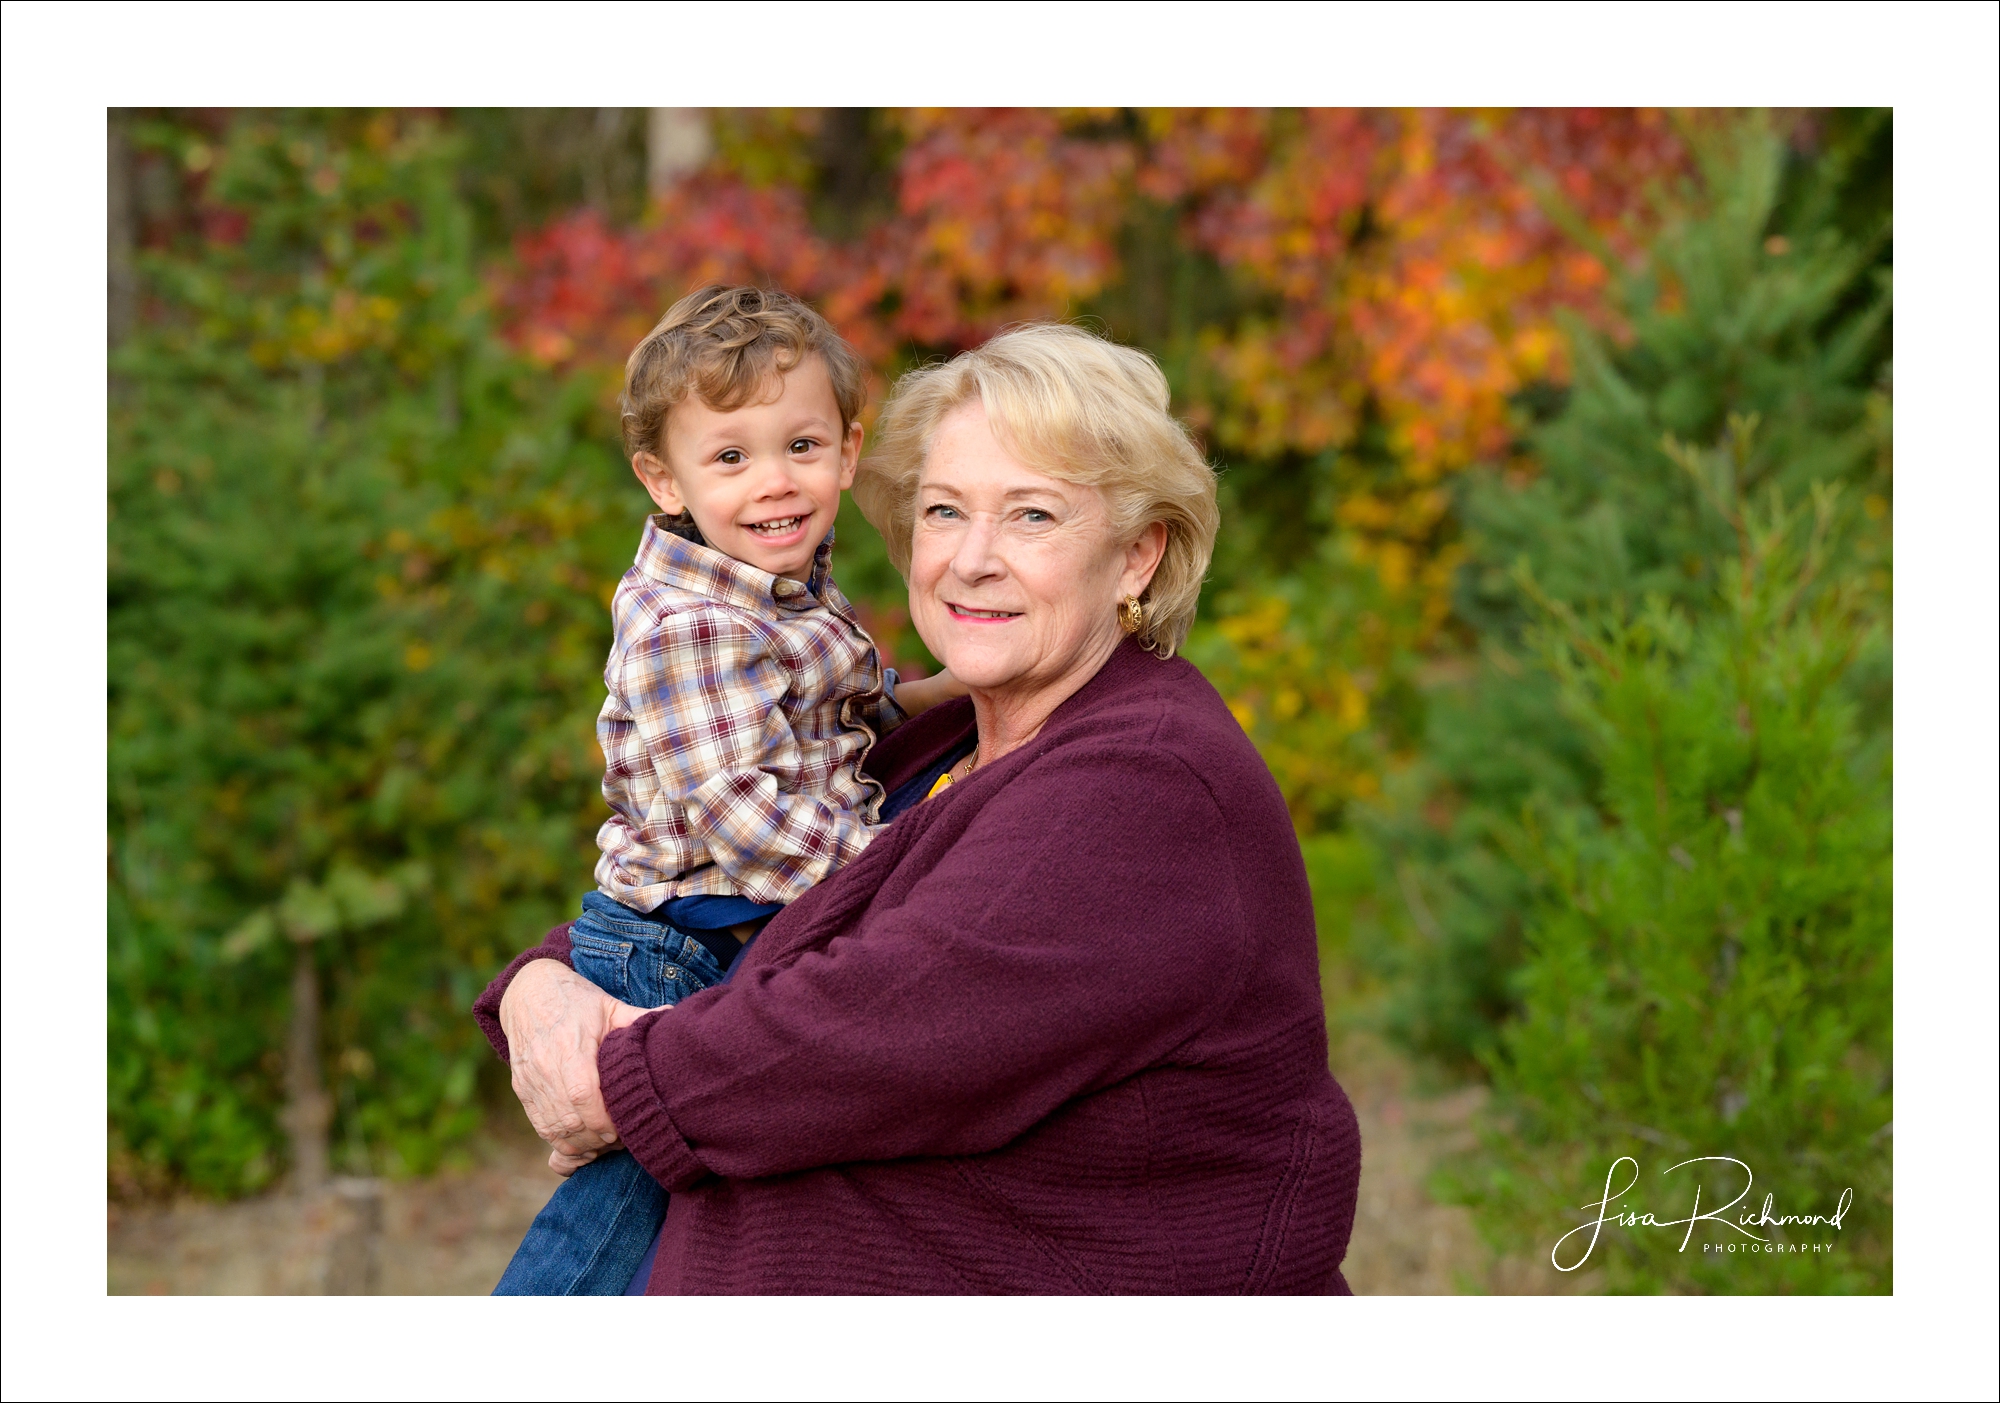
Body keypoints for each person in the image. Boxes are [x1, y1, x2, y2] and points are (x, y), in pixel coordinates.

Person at [476, 322, 1363, 1293]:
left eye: (1030, 516)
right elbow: (724, 886)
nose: (971, 558)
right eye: (943, 511)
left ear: (1135, 556)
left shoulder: (1140, 782)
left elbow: (871, 1023)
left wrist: (612, 1080)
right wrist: (539, 984)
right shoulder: (948, 737)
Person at [491, 285, 964, 1294]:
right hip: (678, 942)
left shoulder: (772, 582)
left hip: (729, 915)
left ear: (847, 449)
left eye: (799, 446)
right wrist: (897, 871)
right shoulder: (695, 626)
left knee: (688, 1200)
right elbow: (747, 819)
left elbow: (845, 718)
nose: (773, 483)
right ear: (664, 480)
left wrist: (965, 687)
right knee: (622, 1206)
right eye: (730, 457)